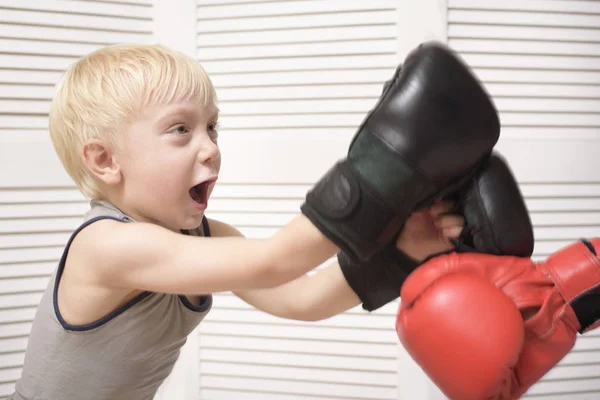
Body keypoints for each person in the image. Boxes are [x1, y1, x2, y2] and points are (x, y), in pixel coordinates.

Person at [11, 41, 500, 400]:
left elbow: (299, 297)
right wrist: (384, 171)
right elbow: (274, 261)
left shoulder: (206, 236)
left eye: (212, 126)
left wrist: (403, 250)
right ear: (104, 161)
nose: (210, 147)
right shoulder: (105, 247)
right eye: (180, 130)